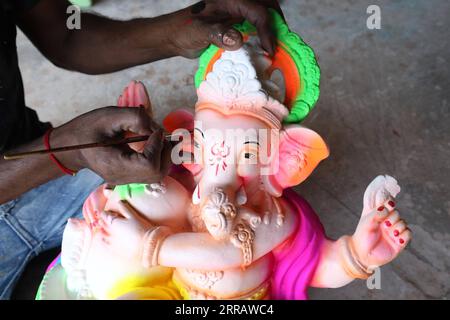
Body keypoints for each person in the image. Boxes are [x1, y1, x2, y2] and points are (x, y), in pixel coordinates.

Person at [0, 0, 282, 299]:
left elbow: (66, 31)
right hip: (41, 163)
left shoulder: (262, 215)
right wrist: (65, 152)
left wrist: (175, 31)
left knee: (158, 190)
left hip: (37, 165)